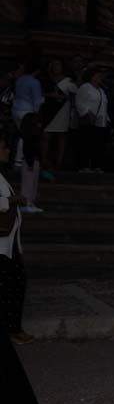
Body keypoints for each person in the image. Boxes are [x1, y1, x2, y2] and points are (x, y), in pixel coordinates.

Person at [0, 132, 29, 343]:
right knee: (12, 284)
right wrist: (11, 200)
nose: (7, 150)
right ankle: (13, 329)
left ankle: (13, 328)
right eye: (3, 147)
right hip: (1, 244)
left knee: (15, 283)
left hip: (8, 243)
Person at [42, 59, 76, 172]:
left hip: (62, 110)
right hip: (48, 109)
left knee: (61, 136)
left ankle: (59, 162)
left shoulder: (68, 80)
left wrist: (60, 97)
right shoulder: (48, 79)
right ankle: (44, 160)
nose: (56, 67)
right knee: (46, 135)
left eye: (58, 64)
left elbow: (73, 95)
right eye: (54, 65)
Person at [74, 66, 109, 173]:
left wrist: (106, 118)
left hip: (100, 121)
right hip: (88, 119)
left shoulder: (101, 90)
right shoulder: (85, 87)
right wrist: (87, 112)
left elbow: (104, 104)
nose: (100, 77)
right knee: (86, 143)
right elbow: (79, 102)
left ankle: (96, 165)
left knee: (98, 144)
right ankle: (83, 165)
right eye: (97, 75)